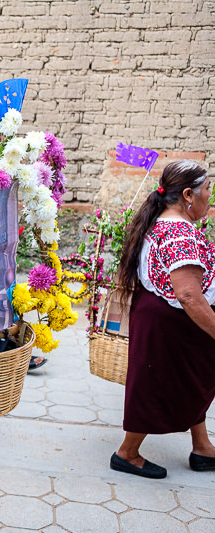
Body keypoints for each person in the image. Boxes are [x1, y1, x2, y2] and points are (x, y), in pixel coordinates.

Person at [111, 160, 215, 479]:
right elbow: (188, 295)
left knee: (192, 380)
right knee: (158, 386)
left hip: (164, 319)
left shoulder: (163, 221)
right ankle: (127, 453)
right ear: (187, 194)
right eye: (207, 189)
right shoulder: (178, 231)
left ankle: (202, 446)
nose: (210, 196)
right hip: (172, 324)